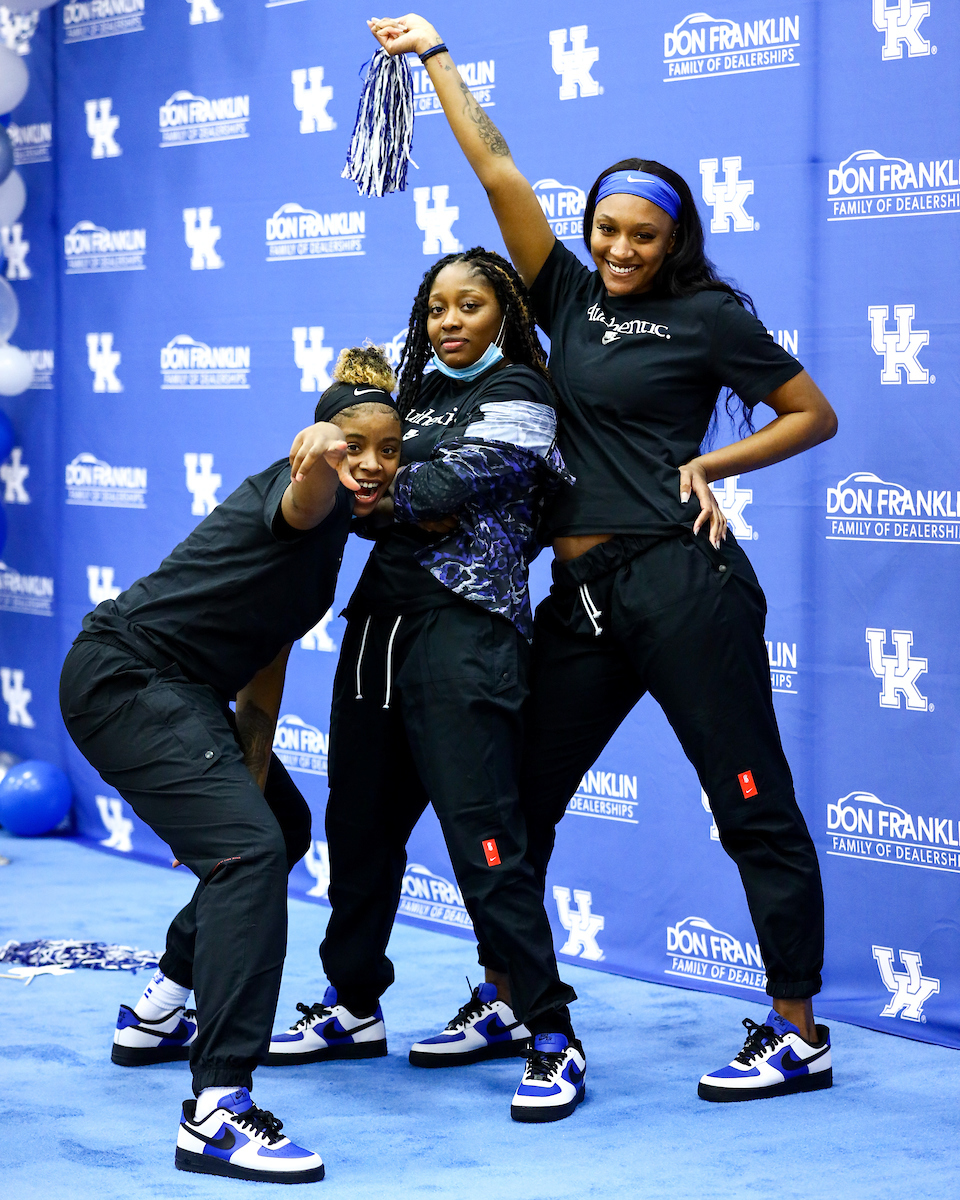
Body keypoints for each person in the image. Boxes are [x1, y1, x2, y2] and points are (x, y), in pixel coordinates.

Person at [368, 14, 840, 1104]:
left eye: (644, 236)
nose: (621, 249)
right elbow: (497, 169)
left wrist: (712, 462)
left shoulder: (709, 318)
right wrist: (436, 56)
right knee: (513, 801)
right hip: (579, 598)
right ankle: (509, 996)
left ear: (675, 242)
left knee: (750, 799)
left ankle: (798, 1029)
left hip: (682, 582)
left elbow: (812, 414)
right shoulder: (565, 296)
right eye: (607, 230)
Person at [59, 347, 401, 1183]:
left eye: (389, 450)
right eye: (354, 444)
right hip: (126, 676)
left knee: (276, 827)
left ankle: (157, 1012)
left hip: (179, 691)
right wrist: (319, 451)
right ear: (319, 443)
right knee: (247, 852)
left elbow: (263, 667)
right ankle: (217, 1109)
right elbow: (306, 488)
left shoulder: (330, 545)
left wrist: (243, 782)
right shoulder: (307, 498)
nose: (371, 462)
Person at [268, 247, 586, 1124]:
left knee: (485, 837)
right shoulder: (413, 394)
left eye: (469, 305)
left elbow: (441, 480)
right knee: (358, 827)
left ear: (505, 313)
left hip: (467, 630)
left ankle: (549, 1030)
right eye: (437, 307)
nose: (449, 321)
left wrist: (391, 485)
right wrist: (397, 494)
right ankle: (352, 1004)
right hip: (378, 625)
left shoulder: (522, 392)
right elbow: (362, 497)